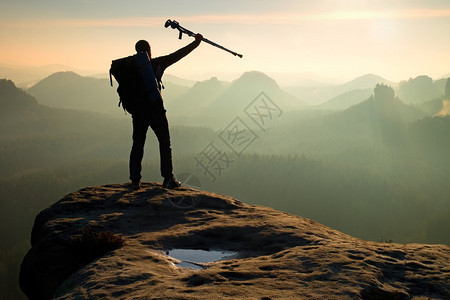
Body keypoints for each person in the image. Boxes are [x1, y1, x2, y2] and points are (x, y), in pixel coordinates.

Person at [130, 33, 202, 190]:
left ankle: (135, 181)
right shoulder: (157, 63)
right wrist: (196, 43)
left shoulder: (130, 68)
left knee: (138, 144)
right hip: (156, 110)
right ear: (149, 51)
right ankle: (168, 178)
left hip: (138, 112)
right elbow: (177, 55)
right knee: (164, 142)